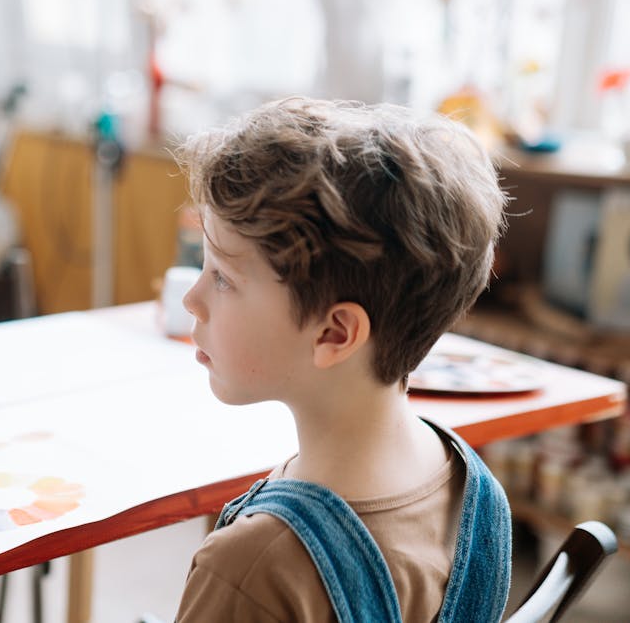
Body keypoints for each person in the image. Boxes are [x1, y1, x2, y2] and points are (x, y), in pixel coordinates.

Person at [174, 98, 511, 622]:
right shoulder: (481, 499)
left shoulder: (253, 570)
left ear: (335, 332)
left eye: (222, 276)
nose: (191, 299)